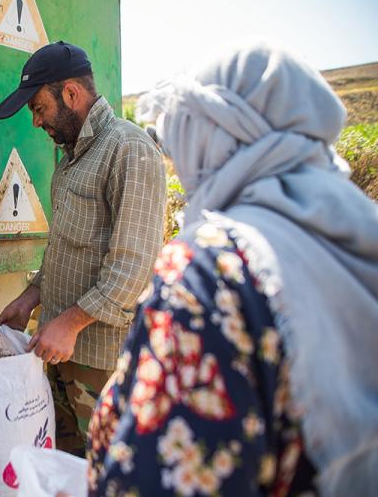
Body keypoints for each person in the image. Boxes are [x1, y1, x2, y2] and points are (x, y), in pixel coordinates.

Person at [87, 43, 378, 496]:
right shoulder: (358, 233)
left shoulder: (210, 269)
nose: (180, 164)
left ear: (216, 136)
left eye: (185, 136)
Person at [0, 41, 166, 456]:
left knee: (108, 468)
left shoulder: (129, 149)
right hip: (60, 355)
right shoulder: (72, 158)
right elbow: (67, 248)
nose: (36, 122)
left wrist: (69, 323)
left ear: (71, 94)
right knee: (67, 470)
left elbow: (132, 269)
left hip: (101, 361)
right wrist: (32, 297)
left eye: (38, 108)